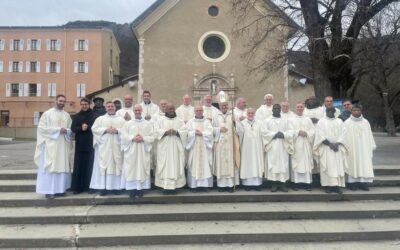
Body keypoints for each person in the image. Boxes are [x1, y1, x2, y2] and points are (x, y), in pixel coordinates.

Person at [34, 94, 72, 199]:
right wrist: (57, 130)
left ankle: (60, 190)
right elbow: (41, 128)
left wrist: (67, 131)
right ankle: (49, 191)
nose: (62, 103)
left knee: (62, 167)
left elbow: (69, 129)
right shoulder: (47, 114)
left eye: (64, 101)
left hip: (63, 145)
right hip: (51, 146)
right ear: (56, 101)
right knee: (51, 167)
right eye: (60, 101)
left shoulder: (67, 115)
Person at [90, 101, 125, 195]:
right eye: (108, 106)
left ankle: (116, 188)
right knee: (104, 166)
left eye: (112, 106)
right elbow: (94, 129)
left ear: (115, 108)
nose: (110, 108)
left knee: (116, 165)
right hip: (104, 148)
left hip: (116, 146)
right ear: (105, 108)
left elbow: (125, 131)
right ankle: (103, 188)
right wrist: (105, 130)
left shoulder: (121, 120)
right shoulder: (100, 119)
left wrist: (117, 131)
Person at [121, 104, 154, 198]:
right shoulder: (128, 124)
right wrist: (132, 138)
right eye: (136, 110)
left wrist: (143, 138)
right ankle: (132, 189)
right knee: (132, 168)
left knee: (141, 168)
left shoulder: (147, 124)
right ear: (133, 111)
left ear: (141, 111)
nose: (137, 112)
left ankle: (140, 189)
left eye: (139, 110)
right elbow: (123, 136)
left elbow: (152, 137)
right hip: (131, 151)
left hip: (143, 151)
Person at [314, 107, 347, 194]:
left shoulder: (339, 122)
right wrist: (329, 144)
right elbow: (319, 135)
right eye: (328, 111)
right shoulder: (321, 122)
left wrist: (337, 143)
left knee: (337, 167)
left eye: (332, 111)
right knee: (327, 167)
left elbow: (344, 134)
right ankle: (327, 186)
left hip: (337, 148)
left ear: (334, 112)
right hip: (326, 148)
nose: (330, 112)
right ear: (326, 112)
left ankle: (336, 186)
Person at [155, 103, 187, 194]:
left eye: (172, 108)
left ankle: (175, 187)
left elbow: (184, 131)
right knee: (165, 166)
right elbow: (156, 130)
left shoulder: (179, 121)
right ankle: (165, 187)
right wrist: (165, 132)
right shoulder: (160, 120)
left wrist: (177, 132)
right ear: (165, 110)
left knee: (176, 164)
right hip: (164, 148)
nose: (171, 110)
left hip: (175, 148)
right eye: (169, 109)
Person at [212, 91, 240, 192]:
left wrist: (235, 123)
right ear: (219, 106)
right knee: (221, 164)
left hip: (230, 144)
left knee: (230, 164)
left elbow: (238, 129)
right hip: (220, 144)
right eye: (222, 105)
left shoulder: (232, 115)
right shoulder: (216, 116)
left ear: (227, 105)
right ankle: (221, 186)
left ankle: (230, 185)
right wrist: (219, 130)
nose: (223, 107)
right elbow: (212, 129)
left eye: (225, 105)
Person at [261, 104, 293, 192]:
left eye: (278, 108)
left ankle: (283, 184)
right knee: (273, 164)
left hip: (283, 145)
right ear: (272, 110)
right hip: (272, 146)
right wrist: (274, 134)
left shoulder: (285, 120)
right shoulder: (267, 120)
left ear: (280, 110)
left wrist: (283, 134)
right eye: (274, 108)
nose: (276, 109)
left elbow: (291, 131)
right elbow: (263, 132)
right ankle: (274, 184)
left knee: (283, 164)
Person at [344, 104, 376, 191]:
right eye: (354, 110)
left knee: (363, 164)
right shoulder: (347, 123)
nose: (356, 112)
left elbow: (369, 135)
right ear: (351, 111)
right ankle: (352, 183)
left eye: (358, 110)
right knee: (353, 164)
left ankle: (363, 183)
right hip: (352, 148)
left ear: (361, 111)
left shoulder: (365, 122)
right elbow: (344, 137)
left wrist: (371, 146)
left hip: (363, 148)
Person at [70, 98, 96, 194]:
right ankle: (78, 187)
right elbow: (73, 128)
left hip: (90, 144)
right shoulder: (77, 116)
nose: (84, 106)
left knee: (89, 165)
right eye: (82, 104)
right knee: (79, 165)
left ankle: (89, 186)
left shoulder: (94, 116)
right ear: (80, 105)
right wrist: (81, 128)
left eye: (86, 104)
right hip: (80, 144)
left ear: (89, 105)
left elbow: (96, 128)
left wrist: (88, 127)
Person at [185, 105, 214, 191]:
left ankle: (205, 186)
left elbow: (210, 133)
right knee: (194, 166)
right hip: (194, 148)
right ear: (194, 111)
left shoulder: (207, 122)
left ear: (202, 111)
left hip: (205, 148)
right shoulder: (190, 122)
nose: (198, 112)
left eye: (200, 110)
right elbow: (186, 133)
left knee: (205, 165)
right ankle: (194, 186)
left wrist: (202, 133)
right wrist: (194, 133)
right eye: (197, 110)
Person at [288, 102, 315, 191]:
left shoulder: (308, 119)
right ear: (296, 109)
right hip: (296, 144)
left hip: (306, 144)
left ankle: (307, 183)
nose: (300, 108)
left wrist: (306, 133)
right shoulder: (291, 119)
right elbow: (289, 131)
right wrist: (297, 132)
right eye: (298, 107)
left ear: (303, 109)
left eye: (301, 107)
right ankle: (296, 183)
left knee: (306, 163)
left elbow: (313, 131)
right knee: (296, 163)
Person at [237, 108, 264, 191]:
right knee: (247, 164)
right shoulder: (242, 123)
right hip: (246, 148)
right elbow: (239, 133)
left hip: (257, 148)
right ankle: (247, 184)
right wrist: (237, 122)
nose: (250, 114)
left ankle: (257, 184)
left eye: (252, 113)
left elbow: (263, 134)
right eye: (249, 113)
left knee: (256, 163)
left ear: (254, 113)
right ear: (246, 113)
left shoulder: (260, 123)